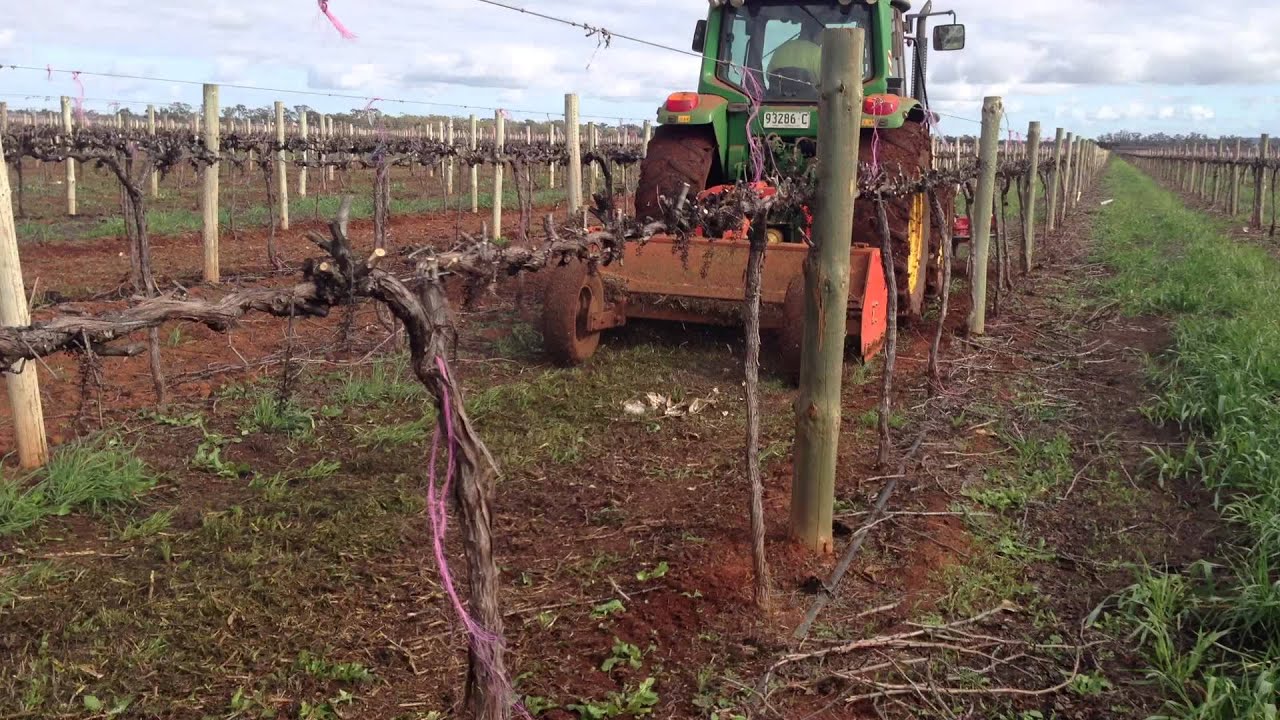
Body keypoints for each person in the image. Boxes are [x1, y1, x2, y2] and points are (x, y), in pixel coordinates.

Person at [766, 20, 823, 85]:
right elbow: (825, 83)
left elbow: (769, 76)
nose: (822, 41)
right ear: (817, 35)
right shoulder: (818, 53)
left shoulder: (781, 49)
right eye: (822, 35)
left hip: (776, 94)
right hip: (807, 95)